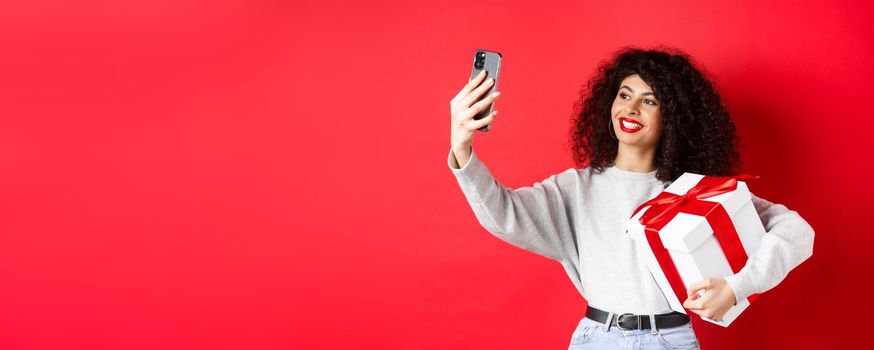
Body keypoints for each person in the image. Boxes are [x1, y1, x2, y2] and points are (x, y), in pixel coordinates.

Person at [446, 47, 815, 350]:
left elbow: (797, 233)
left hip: (670, 340)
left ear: (673, 118)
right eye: (625, 95)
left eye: (650, 101)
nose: (631, 108)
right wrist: (462, 147)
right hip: (596, 339)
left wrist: (737, 288)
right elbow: (503, 214)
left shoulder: (697, 191)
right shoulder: (576, 189)